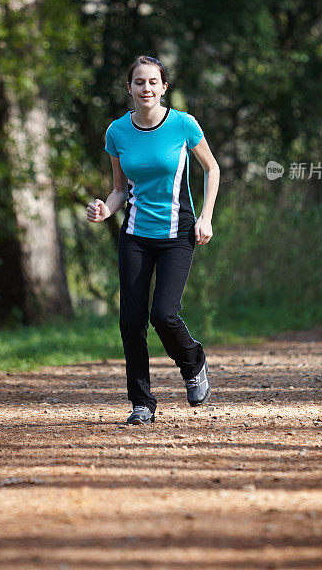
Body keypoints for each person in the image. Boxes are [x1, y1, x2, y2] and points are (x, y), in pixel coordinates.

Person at [86, 55, 220, 425]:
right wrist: (105, 210)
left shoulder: (182, 125)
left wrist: (206, 217)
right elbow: (118, 191)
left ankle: (193, 363)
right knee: (131, 322)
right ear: (128, 88)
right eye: (139, 82)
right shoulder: (117, 132)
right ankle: (142, 403)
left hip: (177, 233)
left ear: (164, 87)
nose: (146, 89)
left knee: (163, 314)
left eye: (153, 82)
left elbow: (212, 168)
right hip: (135, 236)